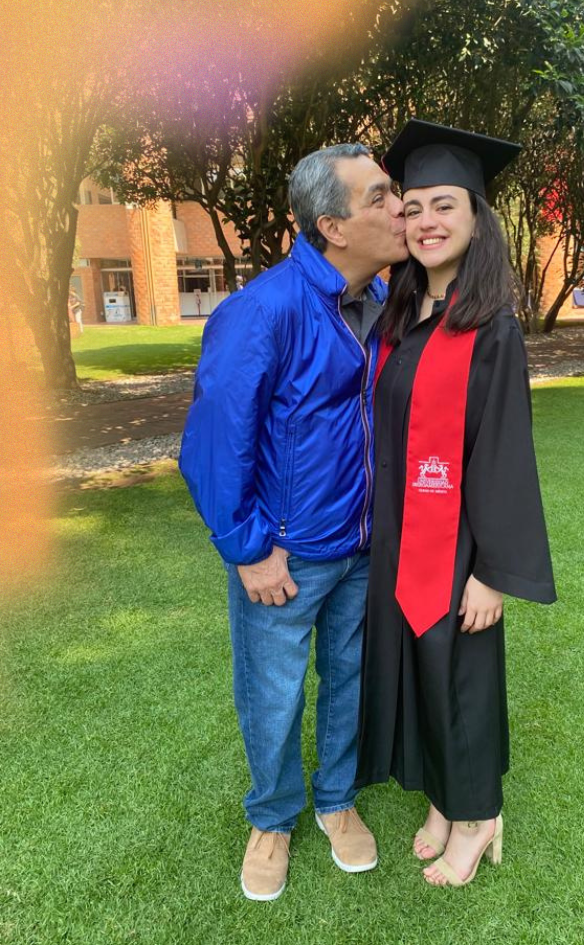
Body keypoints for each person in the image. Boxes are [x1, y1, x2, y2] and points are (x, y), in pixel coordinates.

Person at [180, 142, 408, 900]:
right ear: (332, 226)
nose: (398, 206)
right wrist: (249, 551)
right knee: (273, 693)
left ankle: (336, 801)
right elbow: (213, 445)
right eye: (379, 197)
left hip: (359, 546)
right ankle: (272, 816)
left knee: (347, 680)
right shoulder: (263, 310)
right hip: (286, 555)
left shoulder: (381, 304)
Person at [353, 120, 557, 888]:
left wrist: (493, 571)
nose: (427, 221)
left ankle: (476, 817)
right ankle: (441, 798)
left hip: (460, 546)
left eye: (446, 205)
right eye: (414, 207)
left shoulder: (493, 329)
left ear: (477, 220)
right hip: (404, 537)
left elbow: (503, 454)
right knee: (417, 669)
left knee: (463, 679)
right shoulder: (400, 319)